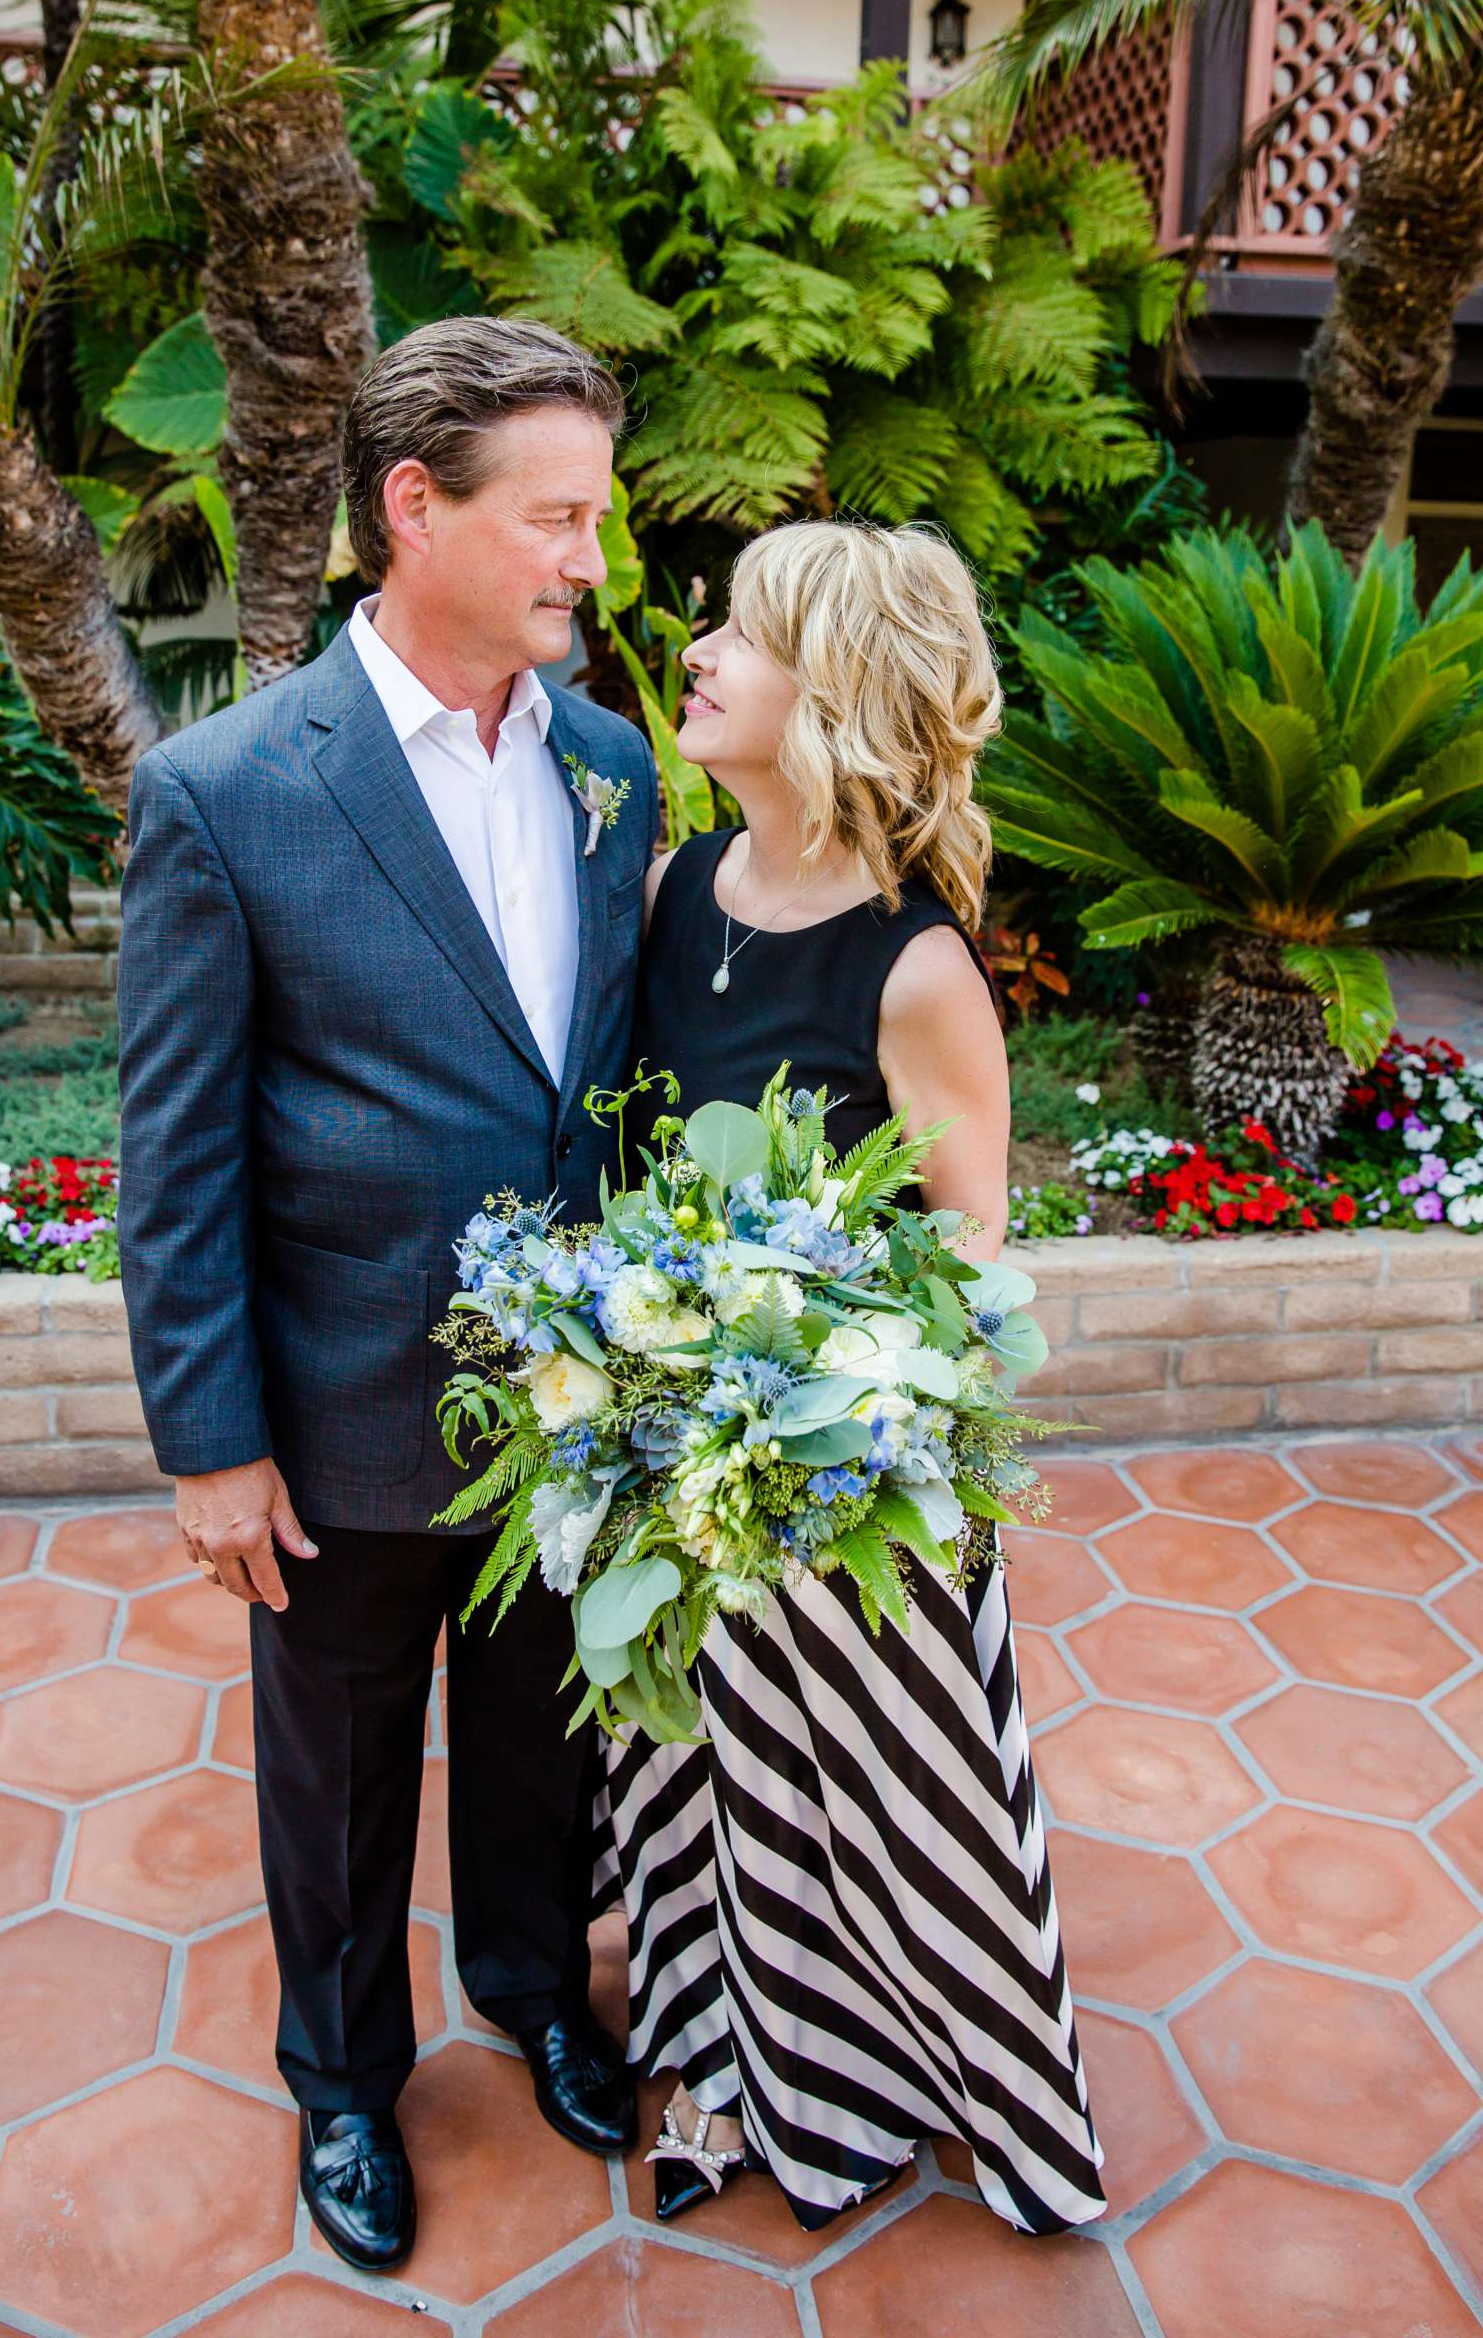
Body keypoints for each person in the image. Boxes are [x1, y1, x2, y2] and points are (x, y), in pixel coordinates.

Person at [116, 317, 655, 2274]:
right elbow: (176, 1156)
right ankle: (342, 2078)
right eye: (553, 517)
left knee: (547, 1738)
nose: (587, 559)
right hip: (339, 1406)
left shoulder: (611, 762)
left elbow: (599, 1079)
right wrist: (211, 1443)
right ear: (410, 505)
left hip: (571, 1407)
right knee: (335, 1774)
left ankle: (533, 1992)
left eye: (593, 516)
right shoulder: (227, 790)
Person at [593, 519, 1108, 2235]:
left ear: (834, 699)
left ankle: (882, 2076)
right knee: (718, 1769)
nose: (698, 650)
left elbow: (970, 1259)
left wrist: (825, 1392)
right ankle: (734, 2047)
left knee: (867, 1788)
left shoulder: (917, 967)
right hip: (682, 1443)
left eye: (738, 633)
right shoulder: (675, 886)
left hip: (849, 1481)